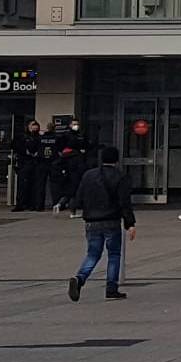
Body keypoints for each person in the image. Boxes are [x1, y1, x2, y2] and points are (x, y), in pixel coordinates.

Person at [69, 146, 136, 302]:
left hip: (91, 221)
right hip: (111, 220)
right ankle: (111, 288)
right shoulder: (120, 177)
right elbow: (124, 202)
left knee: (93, 254)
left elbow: (79, 195)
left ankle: (79, 278)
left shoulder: (89, 175)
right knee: (114, 254)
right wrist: (130, 223)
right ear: (117, 160)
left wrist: (75, 208)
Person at [56, 120, 91, 217]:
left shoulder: (80, 135)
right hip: (73, 172)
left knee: (71, 191)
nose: (76, 126)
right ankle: (70, 210)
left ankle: (61, 204)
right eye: (74, 124)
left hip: (72, 171)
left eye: (77, 124)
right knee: (74, 192)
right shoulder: (67, 137)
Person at [13, 120, 49, 212]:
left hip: (35, 163)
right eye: (33, 125)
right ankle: (21, 204)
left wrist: (37, 153)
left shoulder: (40, 137)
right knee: (23, 185)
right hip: (24, 163)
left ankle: (32, 204)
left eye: (36, 125)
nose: (34, 127)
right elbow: (16, 146)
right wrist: (25, 151)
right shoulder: (22, 137)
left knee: (34, 185)